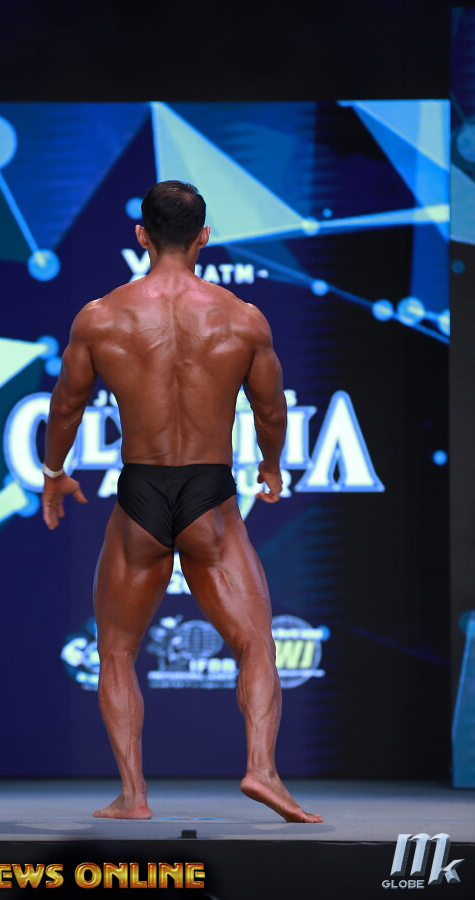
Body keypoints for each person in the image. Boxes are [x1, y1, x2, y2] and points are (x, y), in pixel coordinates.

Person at [41, 180, 322, 824]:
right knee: (255, 642)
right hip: (209, 495)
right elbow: (271, 409)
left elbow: (66, 406)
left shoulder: (100, 317)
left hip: (140, 490)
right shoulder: (242, 318)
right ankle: (261, 770)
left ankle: (133, 795)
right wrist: (272, 466)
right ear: (205, 237)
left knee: (117, 650)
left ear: (141, 235)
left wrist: (54, 472)